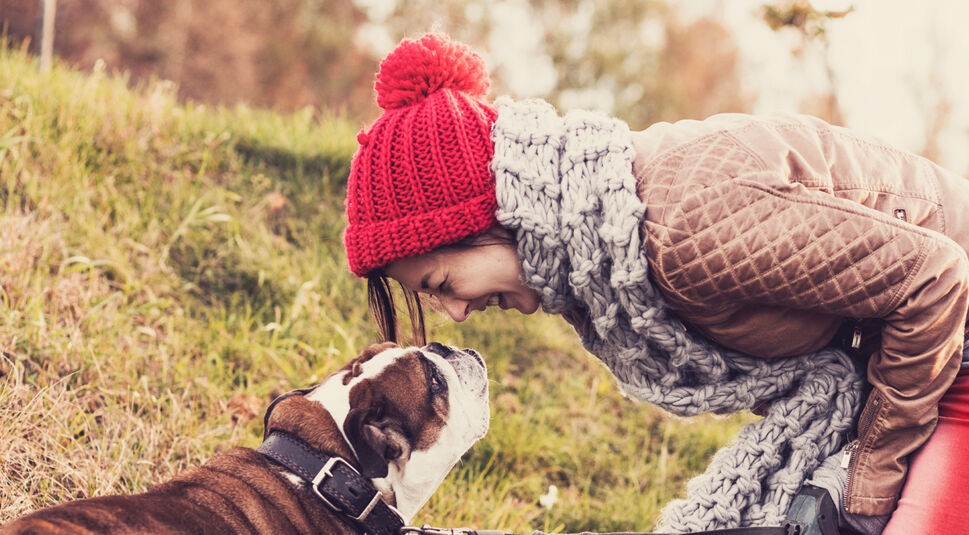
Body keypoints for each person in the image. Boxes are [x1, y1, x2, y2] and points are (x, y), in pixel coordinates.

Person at [342, 33, 969, 535]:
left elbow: (936, 277)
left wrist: (870, 476)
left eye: (444, 281)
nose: (454, 313)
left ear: (502, 218)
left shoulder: (683, 228)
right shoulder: (615, 255)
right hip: (908, 360)